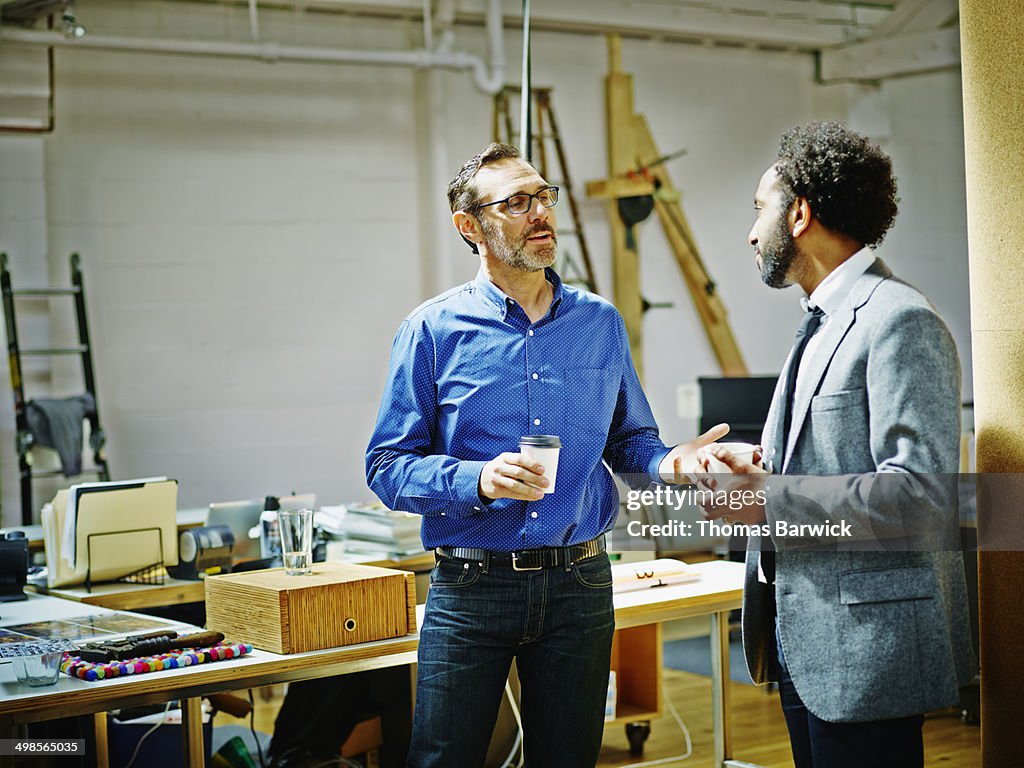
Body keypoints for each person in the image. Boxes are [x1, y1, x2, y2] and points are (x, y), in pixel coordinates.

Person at [366, 142, 725, 767]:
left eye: (544, 197)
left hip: (579, 583)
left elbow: (631, 441)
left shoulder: (600, 323)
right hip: (471, 585)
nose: (540, 213)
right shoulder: (432, 330)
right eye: (517, 202)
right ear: (470, 226)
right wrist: (479, 479)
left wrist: (675, 464)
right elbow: (387, 465)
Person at [700, 121, 976, 767]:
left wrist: (769, 500)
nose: (751, 231)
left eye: (760, 208)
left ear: (799, 213)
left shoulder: (898, 319)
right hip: (807, 636)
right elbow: (827, 462)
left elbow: (921, 496)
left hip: (867, 647)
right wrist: (757, 466)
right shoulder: (822, 320)